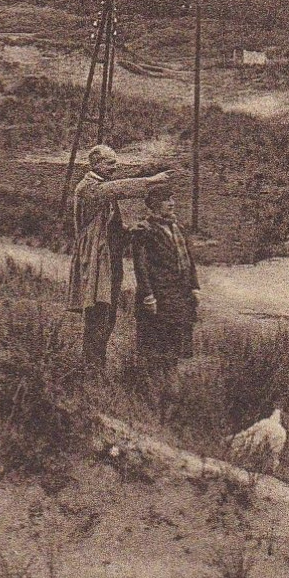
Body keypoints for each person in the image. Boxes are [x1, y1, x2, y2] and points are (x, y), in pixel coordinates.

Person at [67, 145, 172, 371]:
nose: (115, 168)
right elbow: (118, 189)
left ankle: (97, 364)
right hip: (95, 260)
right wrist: (151, 181)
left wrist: (130, 233)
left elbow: (112, 227)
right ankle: (91, 366)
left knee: (108, 313)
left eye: (116, 163)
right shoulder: (88, 188)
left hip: (109, 260)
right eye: (110, 163)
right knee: (97, 314)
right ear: (95, 165)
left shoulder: (101, 187)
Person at [130, 185, 200, 409]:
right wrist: (148, 295)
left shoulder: (177, 227)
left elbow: (189, 260)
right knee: (155, 350)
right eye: (165, 200)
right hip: (159, 299)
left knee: (175, 349)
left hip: (180, 297)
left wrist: (194, 287)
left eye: (172, 198)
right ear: (153, 205)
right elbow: (140, 267)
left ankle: (170, 398)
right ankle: (150, 399)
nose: (171, 203)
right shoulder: (144, 230)